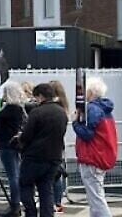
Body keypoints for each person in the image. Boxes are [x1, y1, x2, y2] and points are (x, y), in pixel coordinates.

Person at [18, 83, 68, 217]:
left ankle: (31, 212)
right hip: (54, 157)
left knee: (25, 185)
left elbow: (27, 135)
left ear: (40, 96)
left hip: (34, 157)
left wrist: (19, 140)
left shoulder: (36, 112)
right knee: (46, 189)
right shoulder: (61, 112)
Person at [72, 77, 117, 217]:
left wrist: (75, 122)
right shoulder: (105, 109)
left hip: (92, 156)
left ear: (90, 92)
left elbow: (87, 134)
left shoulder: (91, 109)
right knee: (96, 196)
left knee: (96, 199)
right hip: (102, 156)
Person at [0, 81, 27, 217]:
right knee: (16, 174)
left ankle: (14, 205)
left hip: (6, 144)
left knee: (12, 175)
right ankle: (17, 203)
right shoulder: (19, 108)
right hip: (14, 144)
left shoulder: (8, 109)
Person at [50, 80, 70, 213]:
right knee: (58, 173)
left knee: (54, 175)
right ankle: (58, 202)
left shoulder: (53, 107)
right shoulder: (64, 107)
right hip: (59, 143)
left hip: (51, 144)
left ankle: (55, 202)